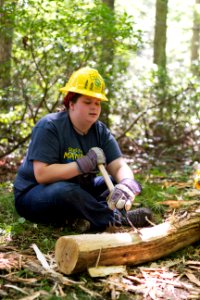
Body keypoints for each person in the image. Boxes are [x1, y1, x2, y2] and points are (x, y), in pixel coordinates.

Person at [13, 67, 152, 233]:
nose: (94, 108)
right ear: (71, 104)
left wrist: (126, 184)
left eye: (97, 103)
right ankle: (115, 218)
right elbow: (42, 174)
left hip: (78, 189)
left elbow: (118, 165)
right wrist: (81, 165)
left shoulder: (100, 131)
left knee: (116, 183)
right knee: (66, 191)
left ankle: (81, 220)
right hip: (35, 195)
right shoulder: (49, 126)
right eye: (87, 102)